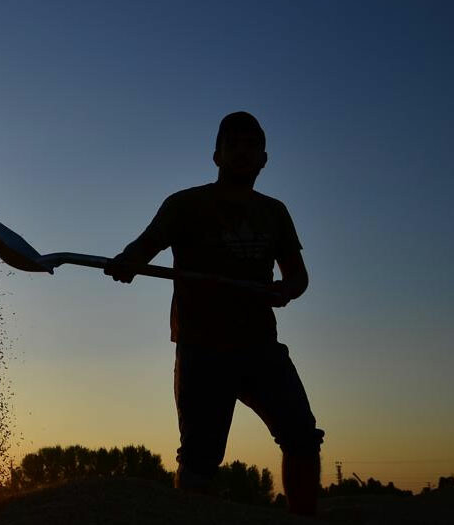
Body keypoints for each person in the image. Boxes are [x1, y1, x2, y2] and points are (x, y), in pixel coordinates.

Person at [104, 111, 324, 516]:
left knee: (302, 437)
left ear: (264, 159)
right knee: (200, 460)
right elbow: (145, 246)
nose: (242, 152)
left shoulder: (274, 212)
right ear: (216, 156)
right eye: (233, 145)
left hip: (260, 347)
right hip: (202, 349)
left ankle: (303, 517)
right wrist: (127, 263)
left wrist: (286, 290)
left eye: (251, 146)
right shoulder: (185, 205)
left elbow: (297, 275)